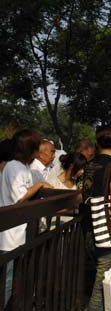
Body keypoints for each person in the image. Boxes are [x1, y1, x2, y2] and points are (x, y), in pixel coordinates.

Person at [0, 129, 53, 306]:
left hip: (18, 234)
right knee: (7, 282)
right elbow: (19, 196)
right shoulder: (15, 167)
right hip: (10, 236)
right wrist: (39, 185)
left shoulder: (20, 167)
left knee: (13, 279)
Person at [81, 125, 111, 310]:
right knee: (101, 290)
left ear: (96, 142)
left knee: (101, 283)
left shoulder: (90, 164)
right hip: (107, 237)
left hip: (89, 231)